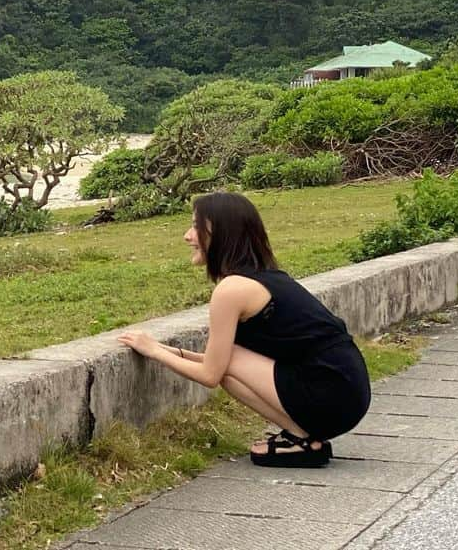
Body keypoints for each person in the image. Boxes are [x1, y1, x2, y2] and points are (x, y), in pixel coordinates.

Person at [118, 191, 371, 468]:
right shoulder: (263, 277)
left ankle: (304, 440)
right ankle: (304, 439)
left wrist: (154, 352)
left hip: (333, 391)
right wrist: (162, 348)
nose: (188, 236)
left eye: (196, 227)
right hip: (347, 391)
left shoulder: (232, 289)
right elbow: (223, 365)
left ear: (220, 235)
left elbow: (210, 374)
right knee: (230, 364)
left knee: (229, 363)